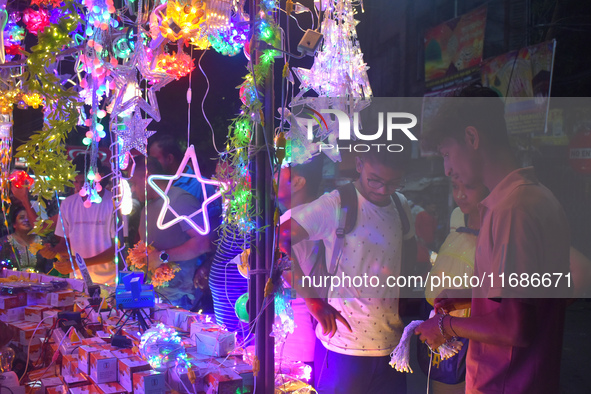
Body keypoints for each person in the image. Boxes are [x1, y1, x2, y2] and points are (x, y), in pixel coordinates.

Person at [415, 85, 571, 393]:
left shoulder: (512, 210)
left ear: (472, 138)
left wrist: (445, 326)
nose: (447, 169)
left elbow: (515, 326)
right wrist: (469, 296)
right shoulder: (537, 197)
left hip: (506, 383)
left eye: (447, 154)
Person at [280, 138, 416, 394]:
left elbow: (406, 260)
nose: (383, 190)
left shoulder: (401, 204)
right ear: (359, 163)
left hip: (392, 349)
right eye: (375, 179)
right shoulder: (336, 204)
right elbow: (279, 242)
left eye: (394, 182)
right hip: (342, 350)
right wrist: (312, 299)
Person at [129, 157, 213, 310]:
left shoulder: (179, 199)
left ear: (146, 177)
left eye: (134, 183)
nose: (133, 189)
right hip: (151, 296)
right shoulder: (146, 209)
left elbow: (203, 243)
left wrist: (162, 256)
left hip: (179, 299)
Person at [275, 156, 325, 376]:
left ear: (298, 182)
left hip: (294, 339)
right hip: (314, 336)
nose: (273, 175)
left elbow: (281, 272)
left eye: (281, 169)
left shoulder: (292, 222)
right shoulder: (321, 214)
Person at [46, 155, 117, 285]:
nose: (79, 187)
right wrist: (53, 250)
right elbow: (65, 243)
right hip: (77, 281)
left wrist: (80, 263)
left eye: (83, 182)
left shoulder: (114, 204)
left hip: (109, 281)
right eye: (75, 181)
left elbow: (117, 250)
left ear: (99, 177)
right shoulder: (68, 204)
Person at [0, 204, 50, 271]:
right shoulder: (5, 242)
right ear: (14, 224)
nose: (26, 220)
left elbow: (49, 267)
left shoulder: (42, 241)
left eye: (29, 217)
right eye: (22, 217)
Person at [415, 198, 438, 279]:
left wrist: (435, 218)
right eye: (432, 207)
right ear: (427, 207)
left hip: (431, 241)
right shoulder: (420, 215)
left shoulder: (432, 216)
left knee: (432, 260)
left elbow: (434, 228)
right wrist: (420, 237)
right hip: (422, 242)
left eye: (434, 208)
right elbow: (416, 227)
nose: (433, 209)